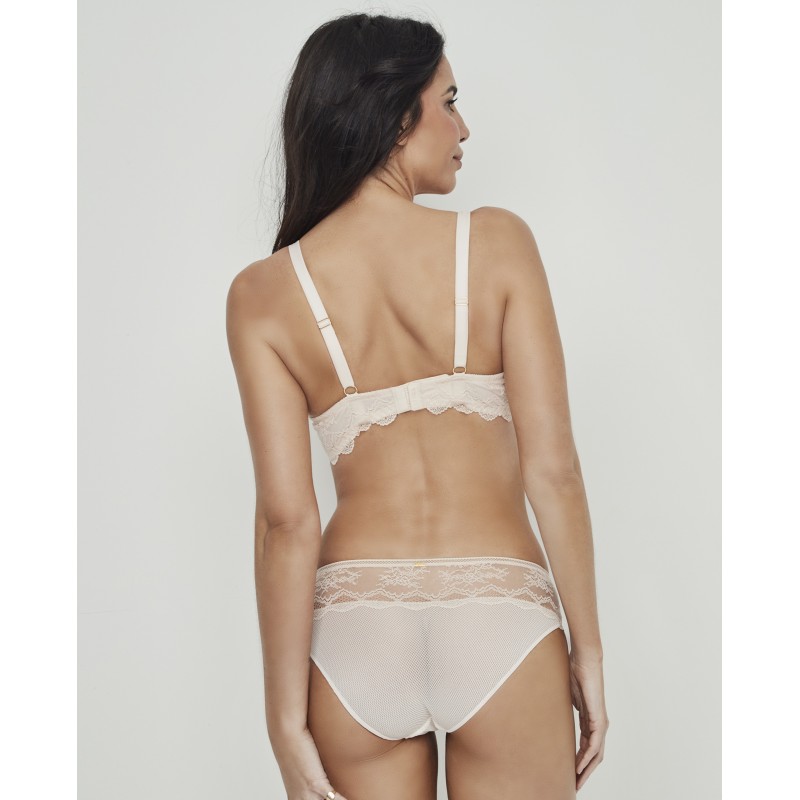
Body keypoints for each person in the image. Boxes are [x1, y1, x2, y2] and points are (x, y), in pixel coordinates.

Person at [226, 12, 608, 800]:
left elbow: (286, 524)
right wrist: (589, 653)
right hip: (501, 618)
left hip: (354, 634)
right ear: (398, 115)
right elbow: (555, 472)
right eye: (450, 101)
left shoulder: (263, 295)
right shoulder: (497, 243)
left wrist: (283, 720)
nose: (464, 128)